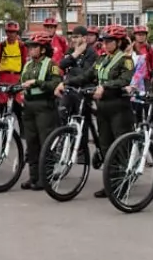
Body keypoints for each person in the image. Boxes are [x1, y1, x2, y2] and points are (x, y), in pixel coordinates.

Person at [57, 24, 134, 199]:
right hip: (103, 107)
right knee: (105, 145)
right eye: (104, 41)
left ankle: (122, 183)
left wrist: (105, 86)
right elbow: (87, 76)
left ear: (119, 41)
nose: (106, 45)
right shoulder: (102, 59)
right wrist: (67, 83)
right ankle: (110, 183)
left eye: (110, 42)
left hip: (119, 107)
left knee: (119, 146)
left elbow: (124, 79)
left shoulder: (125, 59)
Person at [17, 32, 61, 190]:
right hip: (28, 106)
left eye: (34, 47)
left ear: (43, 49)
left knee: (45, 143)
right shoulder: (28, 64)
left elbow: (56, 83)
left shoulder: (51, 64)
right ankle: (33, 177)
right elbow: (20, 81)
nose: (30, 49)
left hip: (44, 107)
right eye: (29, 47)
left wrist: (37, 82)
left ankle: (46, 178)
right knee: (32, 143)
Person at [0, 21, 24, 117]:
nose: (11, 34)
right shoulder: (0, 46)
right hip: (3, 77)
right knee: (2, 103)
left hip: (16, 78)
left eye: (13, 32)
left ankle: (21, 129)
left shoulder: (21, 46)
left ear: (17, 33)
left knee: (17, 105)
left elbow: (25, 61)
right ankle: (1, 125)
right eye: (9, 32)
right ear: (6, 32)